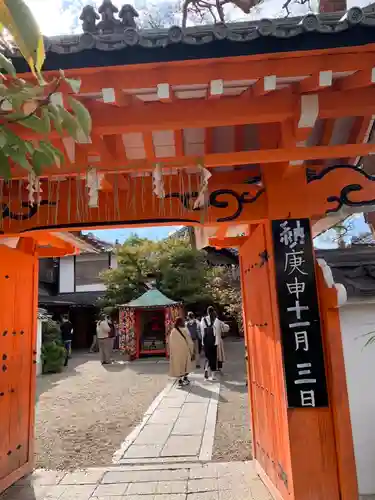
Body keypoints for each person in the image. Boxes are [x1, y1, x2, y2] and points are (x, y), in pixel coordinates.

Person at [201, 306, 229, 380]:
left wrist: (203, 342)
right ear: (214, 311)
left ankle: (206, 369)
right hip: (214, 341)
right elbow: (226, 328)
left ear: (207, 312)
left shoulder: (203, 320)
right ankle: (213, 376)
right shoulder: (217, 320)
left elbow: (202, 331)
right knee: (213, 358)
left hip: (206, 341)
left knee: (207, 357)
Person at [168, 316, 195, 388]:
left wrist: (171, 352)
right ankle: (185, 378)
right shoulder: (184, 330)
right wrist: (192, 351)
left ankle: (179, 380)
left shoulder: (173, 331)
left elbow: (170, 343)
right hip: (185, 351)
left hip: (176, 352)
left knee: (178, 365)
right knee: (186, 365)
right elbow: (190, 342)